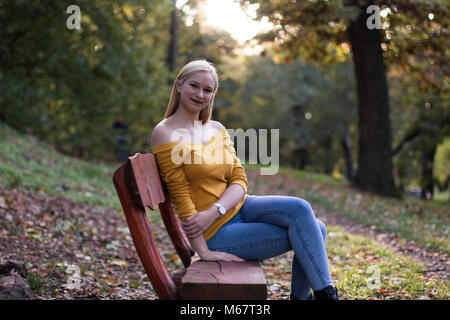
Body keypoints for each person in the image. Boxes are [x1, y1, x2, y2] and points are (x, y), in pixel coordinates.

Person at [151, 59, 338, 300]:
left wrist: (217, 208)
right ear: (179, 85)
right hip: (216, 231)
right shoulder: (165, 132)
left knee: (302, 210)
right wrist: (203, 251)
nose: (200, 94)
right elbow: (180, 195)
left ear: (213, 94)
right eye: (194, 86)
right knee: (314, 230)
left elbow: (238, 178)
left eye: (208, 90)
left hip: (238, 208)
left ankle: (323, 294)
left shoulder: (216, 129)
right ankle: (321, 297)